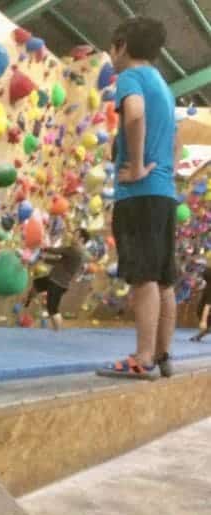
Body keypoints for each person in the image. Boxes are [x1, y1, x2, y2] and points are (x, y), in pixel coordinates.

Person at [97, 16, 179, 380]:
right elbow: (175, 140)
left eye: (112, 48)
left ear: (122, 45)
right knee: (163, 280)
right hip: (164, 195)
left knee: (142, 276)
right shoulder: (163, 84)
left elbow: (133, 115)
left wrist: (136, 164)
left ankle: (142, 357)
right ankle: (162, 356)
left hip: (140, 193)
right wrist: (163, 170)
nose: (111, 56)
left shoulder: (130, 77)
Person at [24, 229, 89, 331]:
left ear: (81, 239)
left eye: (75, 235)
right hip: (54, 280)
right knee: (36, 284)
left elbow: (57, 251)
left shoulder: (74, 250)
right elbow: (59, 262)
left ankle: (58, 332)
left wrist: (44, 248)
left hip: (58, 283)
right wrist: (44, 258)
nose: (72, 236)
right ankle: (27, 303)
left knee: (52, 309)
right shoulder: (79, 253)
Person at [190, 268, 211, 342]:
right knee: (207, 327)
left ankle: (198, 336)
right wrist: (203, 320)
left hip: (202, 310)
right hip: (204, 312)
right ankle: (199, 335)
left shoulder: (208, 286)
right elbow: (207, 306)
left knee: (208, 328)